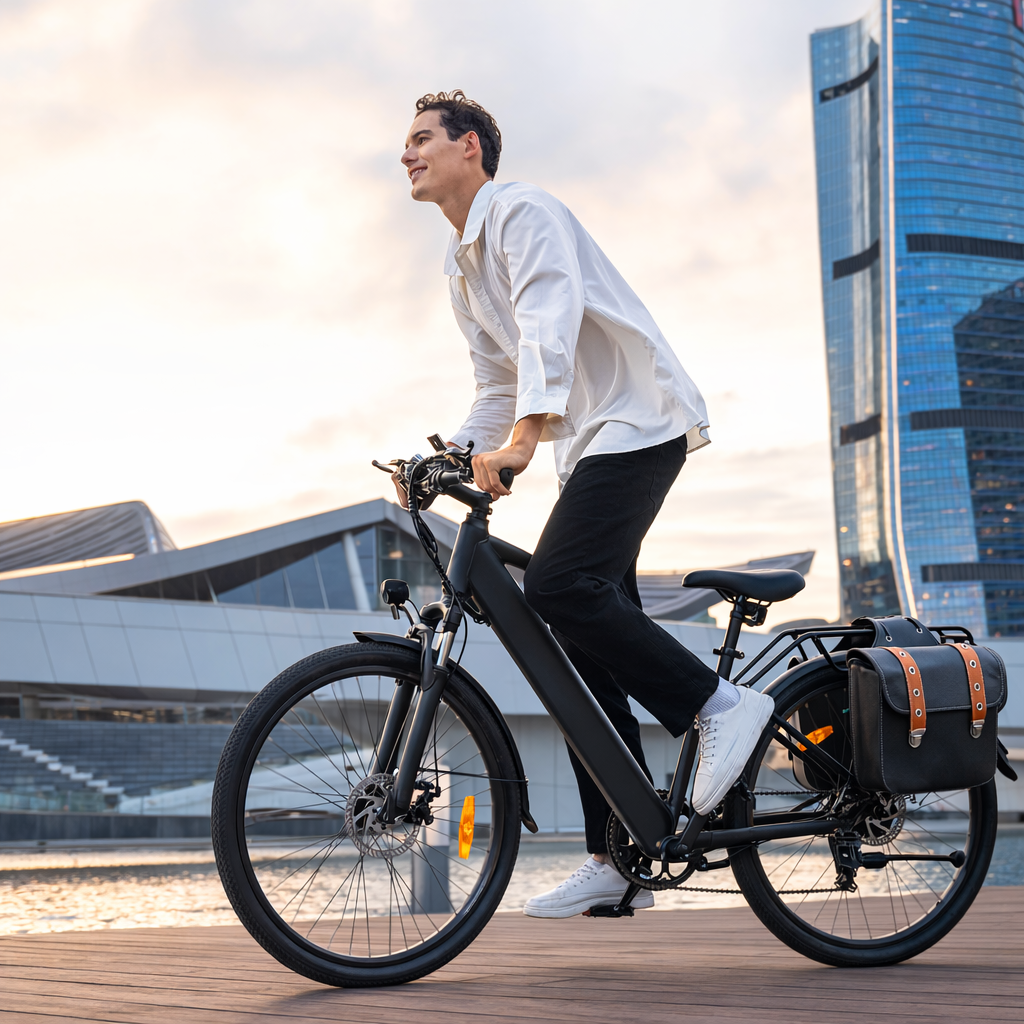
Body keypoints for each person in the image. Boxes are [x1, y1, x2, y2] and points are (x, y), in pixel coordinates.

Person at [398, 90, 773, 918]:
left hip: (640, 421)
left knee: (557, 589)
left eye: (422, 138)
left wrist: (526, 439)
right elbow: (495, 381)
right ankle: (621, 853)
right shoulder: (459, 265)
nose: (407, 154)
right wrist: (456, 456)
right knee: (579, 643)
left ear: (471, 149)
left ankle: (722, 705)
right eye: (407, 144)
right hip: (591, 442)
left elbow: (549, 322)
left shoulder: (522, 210)